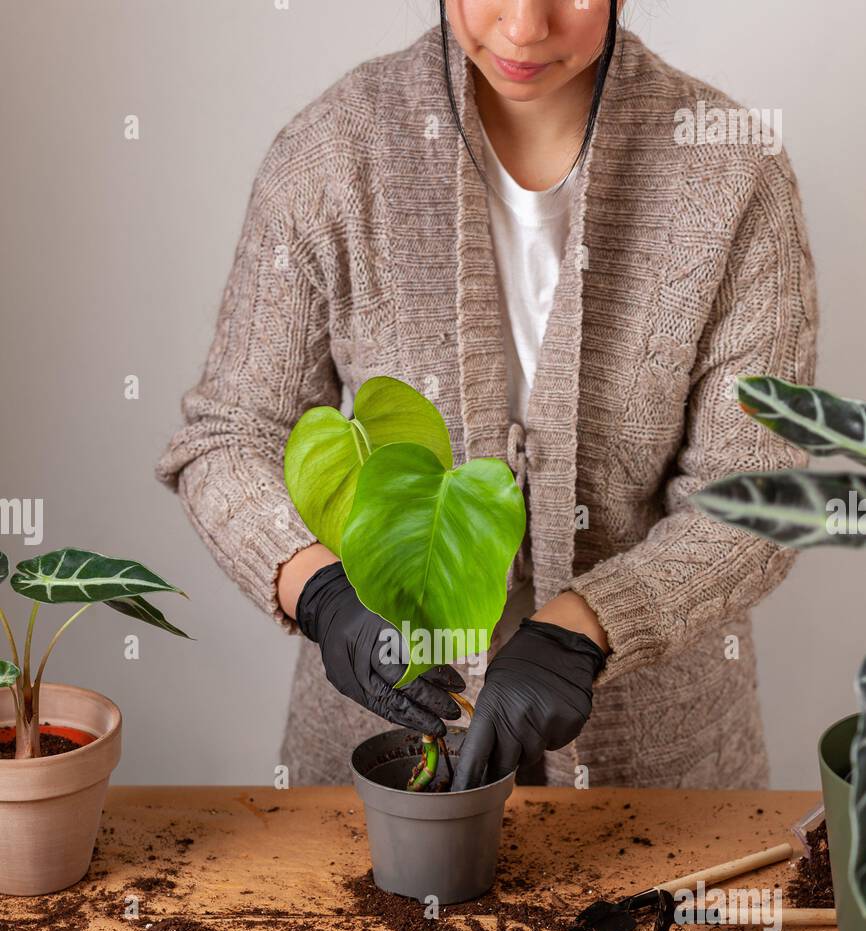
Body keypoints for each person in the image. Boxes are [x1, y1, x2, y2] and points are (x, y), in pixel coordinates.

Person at [158, 1, 817, 790]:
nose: (523, 28)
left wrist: (591, 628)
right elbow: (228, 435)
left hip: (660, 785)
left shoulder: (732, 172)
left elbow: (759, 496)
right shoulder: (335, 153)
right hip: (376, 777)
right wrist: (322, 593)